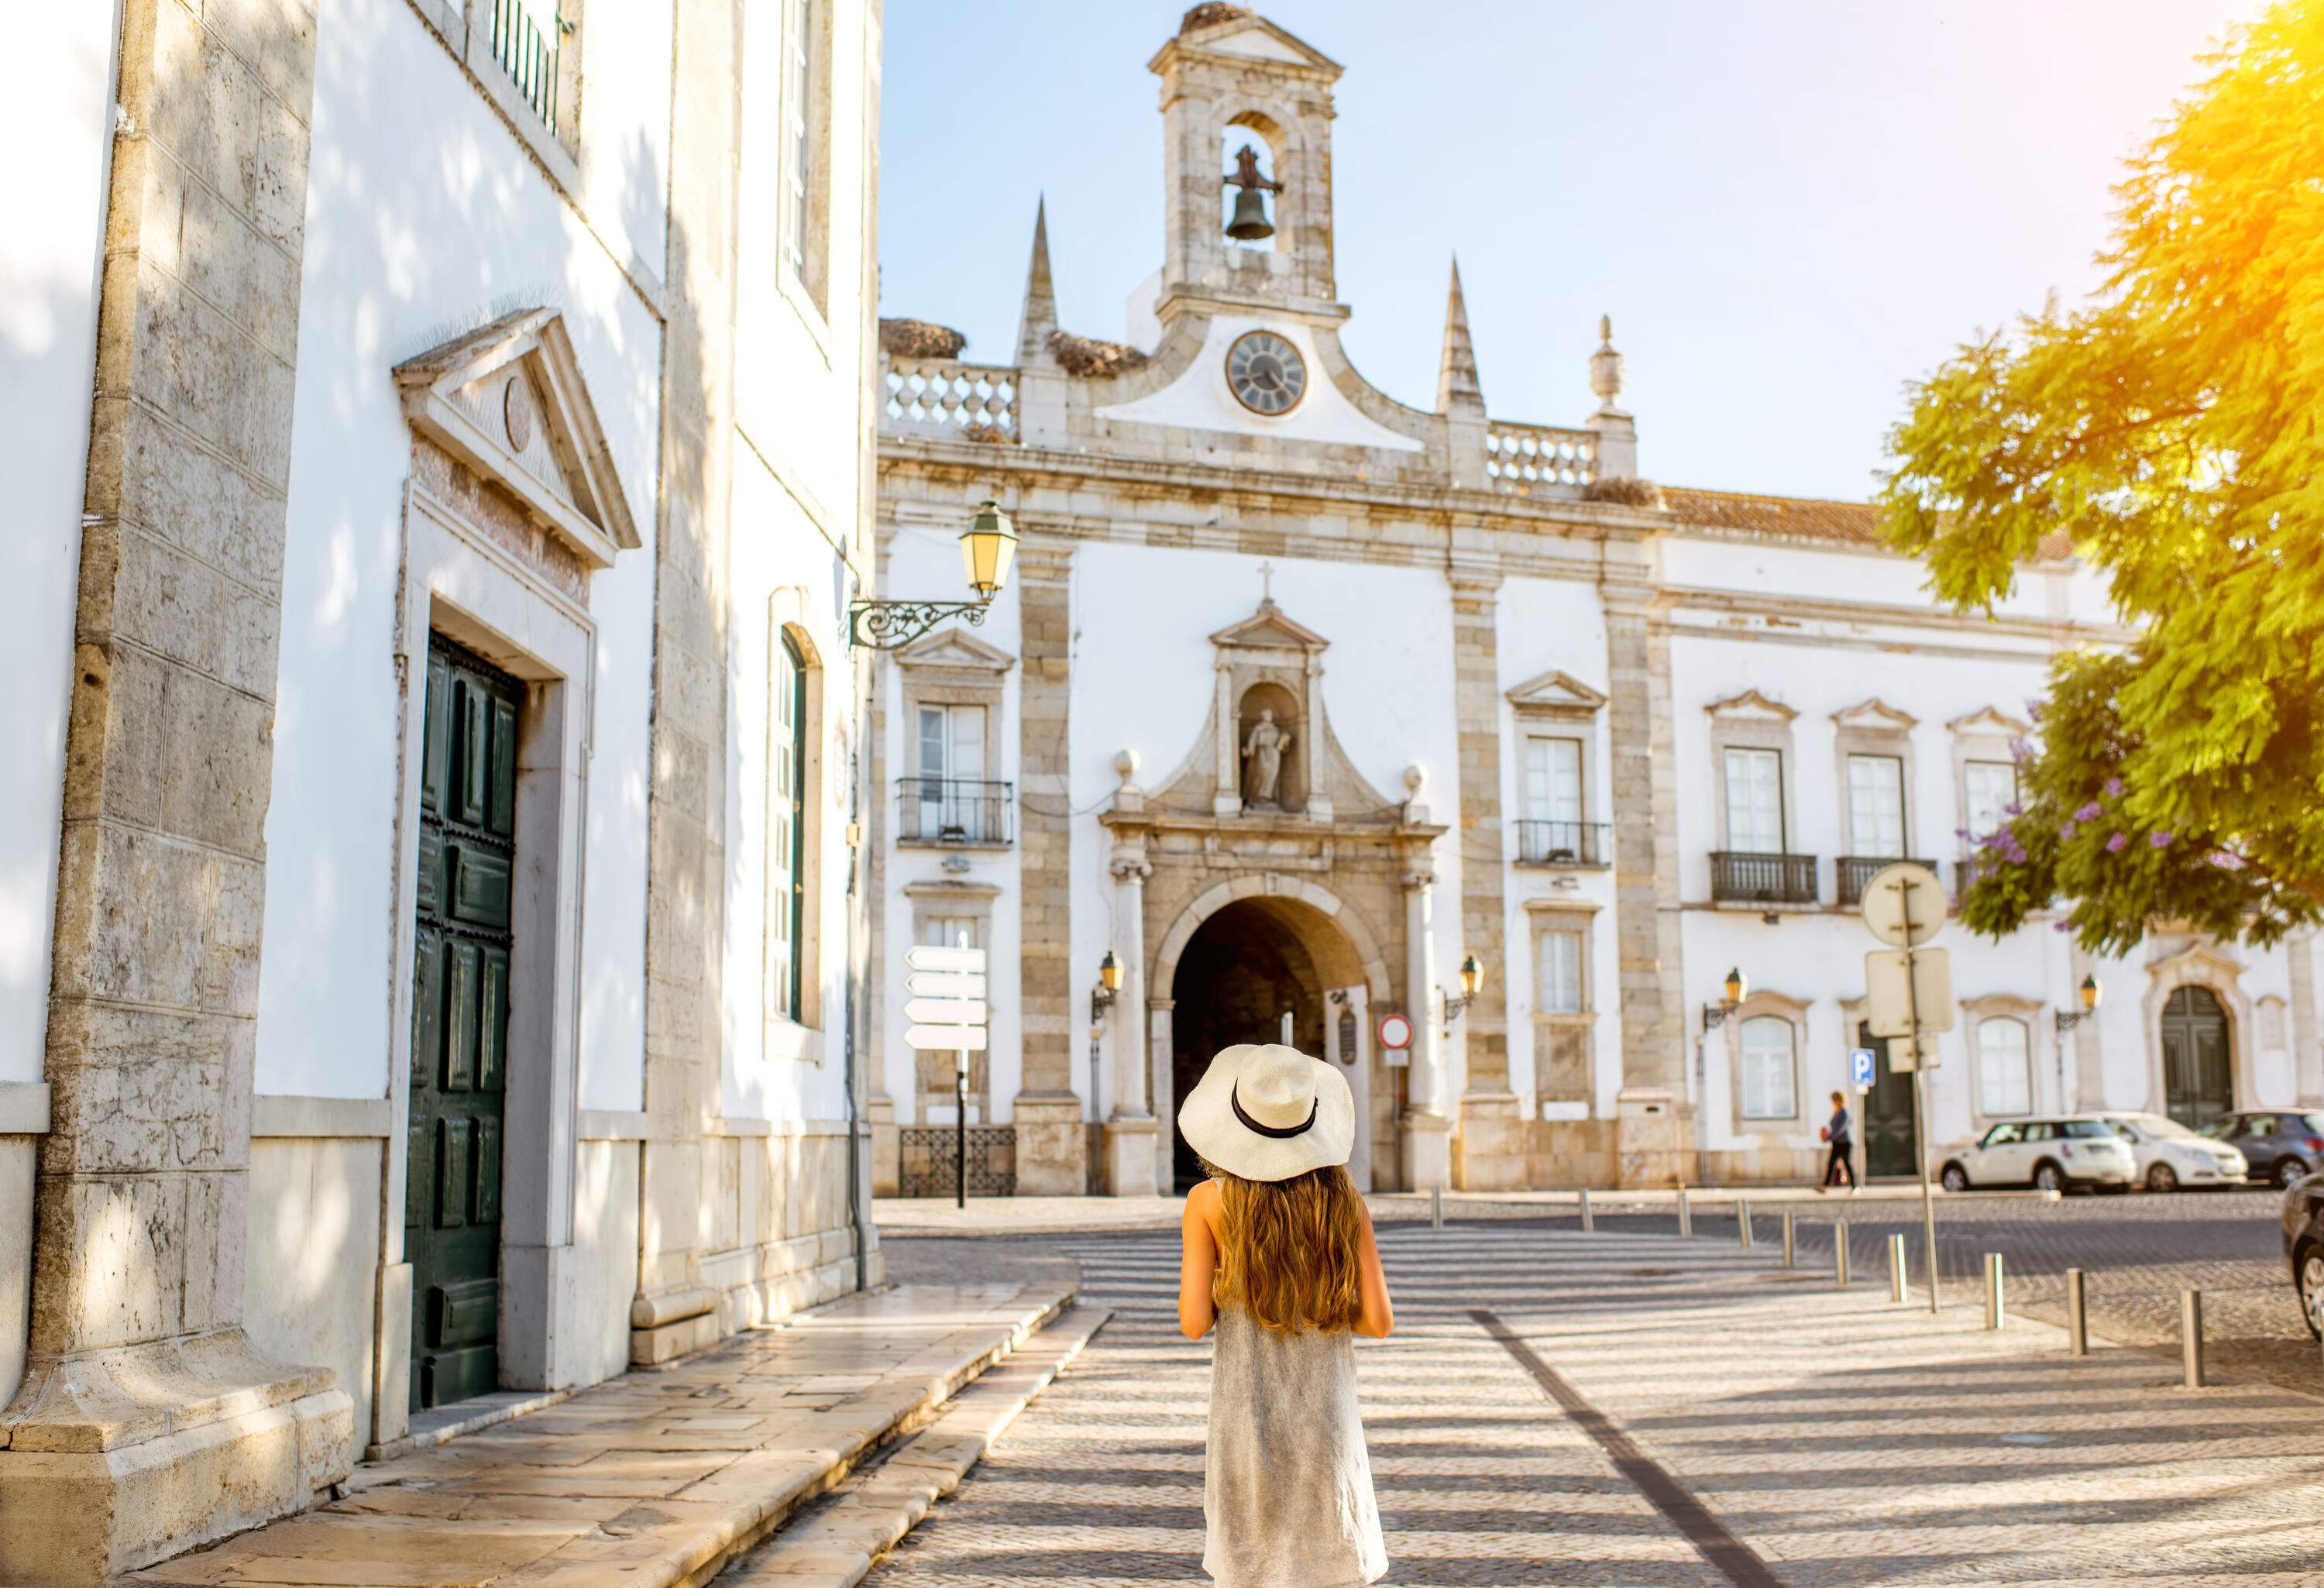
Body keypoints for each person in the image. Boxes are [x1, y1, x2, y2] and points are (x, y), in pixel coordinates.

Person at [1178, 1043, 1393, 1588]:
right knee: (1329, 1563)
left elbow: (1194, 1321)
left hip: (1245, 1415)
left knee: (1251, 1562)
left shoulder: (1208, 1202)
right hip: (1327, 1417)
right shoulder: (1345, 1202)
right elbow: (1378, 1322)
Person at [1819, 1089, 1856, 1191]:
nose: (1834, 1102)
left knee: (1847, 1163)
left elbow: (1841, 1128)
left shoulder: (1845, 1111)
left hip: (1845, 1142)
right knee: (1831, 1163)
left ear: (1840, 1099)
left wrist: (1829, 1137)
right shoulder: (1837, 1112)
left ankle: (1855, 1187)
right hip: (1837, 1142)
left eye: (1835, 1099)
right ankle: (1825, 1186)